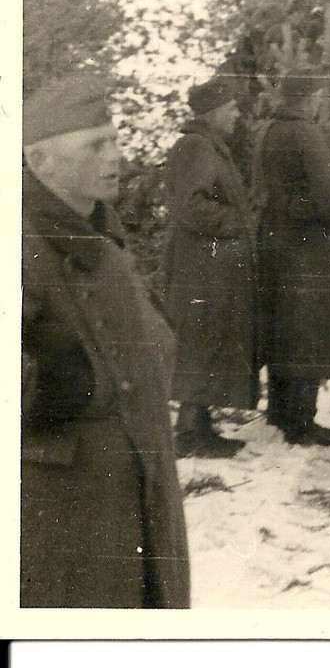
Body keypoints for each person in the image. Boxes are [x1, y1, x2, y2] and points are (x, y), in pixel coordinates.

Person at [21, 73, 190, 608]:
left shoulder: (95, 228)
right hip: (67, 498)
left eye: (115, 140)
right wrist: (68, 384)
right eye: (95, 144)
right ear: (40, 163)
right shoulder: (22, 241)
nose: (114, 155)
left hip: (130, 476)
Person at [255, 69, 330, 446]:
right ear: (309, 99)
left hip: (277, 239)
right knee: (309, 329)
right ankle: (302, 420)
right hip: (309, 245)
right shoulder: (305, 132)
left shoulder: (269, 130)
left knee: (285, 328)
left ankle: (281, 412)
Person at [163, 76, 257, 458]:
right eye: (232, 107)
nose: (237, 114)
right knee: (201, 341)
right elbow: (191, 205)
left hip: (208, 262)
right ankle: (189, 433)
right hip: (201, 265)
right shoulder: (197, 147)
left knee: (209, 339)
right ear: (215, 110)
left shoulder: (208, 146)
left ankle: (199, 426)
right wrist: (237, 222)